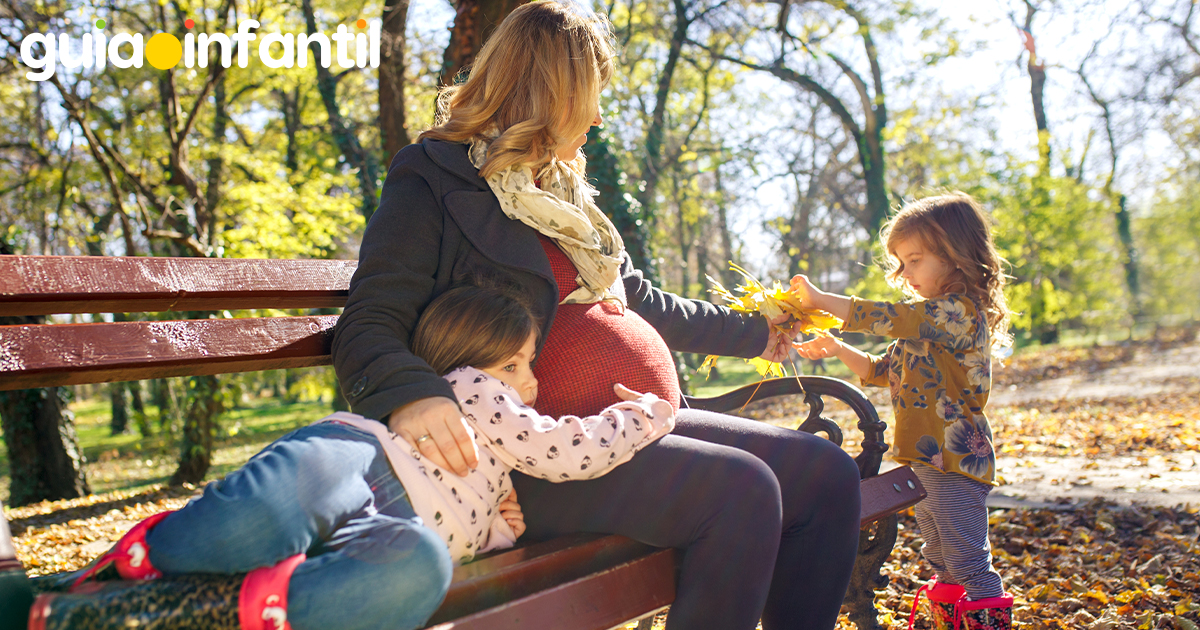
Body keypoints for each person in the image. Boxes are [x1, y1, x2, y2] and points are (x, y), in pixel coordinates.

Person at [331, 2, 863, 628]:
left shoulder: (567, 197)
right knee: (741, 490)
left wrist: (758, 333)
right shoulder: (434, 177)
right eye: (591, 96)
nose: (599, 116)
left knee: (827, 474)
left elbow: (642, 302)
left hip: (631, 426)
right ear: (549, 93)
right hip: (534, 450)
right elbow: (370, 318)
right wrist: (412, 396)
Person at [30, 284, 674, 630]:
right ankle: (134, 568)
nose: (529, 383)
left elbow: (478, 522)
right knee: (252, 523)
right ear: (468, 361)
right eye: (516, 364)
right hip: (359, 463)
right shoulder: (472, 388)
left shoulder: (496, 455)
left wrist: (498, 527)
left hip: (400, 532)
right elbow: (563, 450)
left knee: (416, 574)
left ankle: (116, 612)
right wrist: (646, 415)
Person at [792, 193, 1015, 630]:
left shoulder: (958, 313)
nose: (905, 273)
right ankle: (950, 619)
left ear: (955, 255)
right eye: (901, 262)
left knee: (968, 560)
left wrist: (821, 300)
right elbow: (883, 371)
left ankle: (989, 619)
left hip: (954, 460)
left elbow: (891, 317)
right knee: (941, 557)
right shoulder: (924, 325)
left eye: (914, 260)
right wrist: (838, 348)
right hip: (925, 458)